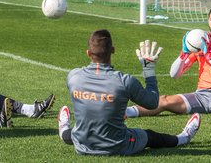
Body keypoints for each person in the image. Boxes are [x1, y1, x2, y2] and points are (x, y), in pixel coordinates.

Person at [57, 29, 201, 155]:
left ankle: (64, 131)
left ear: (88, 53)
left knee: (82, 129)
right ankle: (183, 138)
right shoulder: (124, 81)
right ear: (113, 50)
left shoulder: (73, 76)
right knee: (149, 136)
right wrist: (149, 70)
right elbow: (152, 103)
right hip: (117, 145)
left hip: (81, 145)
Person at [125, 6, 211, 127]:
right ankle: (125, 112)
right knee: (164, 100)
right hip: (200, 95)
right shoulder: (199, 41)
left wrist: (208, 55)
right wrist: (183, 54)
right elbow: (174, 74)